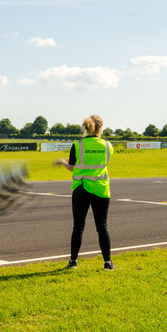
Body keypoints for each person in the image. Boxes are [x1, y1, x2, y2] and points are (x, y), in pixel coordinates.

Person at [54, 115, 116, 270]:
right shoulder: (108, 146)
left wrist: (63, 162)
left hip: (81, 188)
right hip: (101, 189)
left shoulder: (77, 145)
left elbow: (73, 166)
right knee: (102, 226)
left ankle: (73, 262)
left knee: (78, 226)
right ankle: (107, 263)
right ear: (101, 128)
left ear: (85, 128)